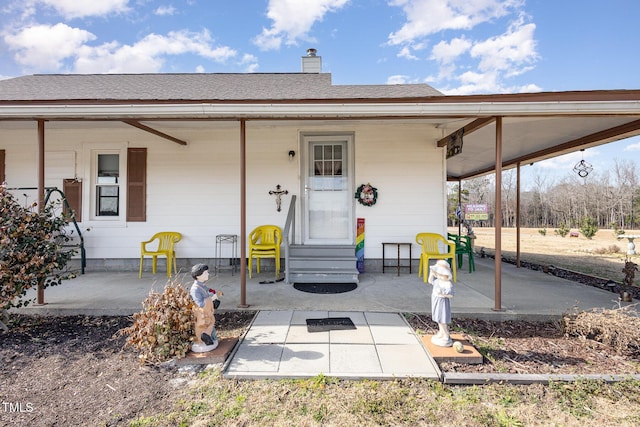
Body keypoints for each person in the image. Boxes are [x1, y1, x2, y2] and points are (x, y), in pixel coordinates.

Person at [189, 264, 220, 352]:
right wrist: (211, 299)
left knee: (211, 323)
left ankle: (208, 337)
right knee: (202, 327)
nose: (208, 274)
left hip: (207, 313)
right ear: (198, 275)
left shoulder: (202, 286)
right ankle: (202, 338)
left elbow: (208, 292)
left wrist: (213, 296)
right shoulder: (195, 289)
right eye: (206, 273)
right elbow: (200, 304)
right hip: (202, 314)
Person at [427, 259, 454, 347]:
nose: (440, 276)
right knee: (438, 318)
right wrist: (431, 273)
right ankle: (441, 332)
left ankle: (446, 334)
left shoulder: (447, 284)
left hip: (442, 302)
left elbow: (451, 294)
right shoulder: (437, 281)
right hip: (436, 300)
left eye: (442, 275)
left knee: (442, 319)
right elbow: (430, 281)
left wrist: (442, 292)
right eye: (438, 274)